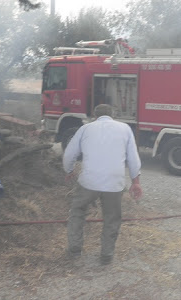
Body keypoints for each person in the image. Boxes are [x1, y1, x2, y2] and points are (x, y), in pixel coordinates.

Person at [63, 104, 142, 265]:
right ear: (113, 115)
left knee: (77, 211)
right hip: (114, 183)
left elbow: (69, 153)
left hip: (88, 181)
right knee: (112, 218)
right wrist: (136, 182)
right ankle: (106, 255)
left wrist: (69, 170)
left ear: (94, 115)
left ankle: (75, 249)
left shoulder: (86, 128)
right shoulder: (125, 128)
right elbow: (133, 158)